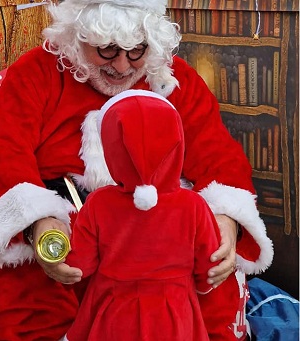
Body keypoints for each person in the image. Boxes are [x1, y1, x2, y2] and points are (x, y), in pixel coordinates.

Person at [0, 0, 275, 340]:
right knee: (20, 299)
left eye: (137, 51)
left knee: (208, 287)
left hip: (157, 224)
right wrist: (37, 224)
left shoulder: (175, 80)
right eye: (107, 50)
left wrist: (226, 220)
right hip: (64, 220)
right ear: (78, 38)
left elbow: (220, 156)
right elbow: (1, 152)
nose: (122, 67)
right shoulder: (36, 71)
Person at [63, 90, 238, 340]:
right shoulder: (194, 205)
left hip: (113, 316)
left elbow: (79, 266)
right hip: (175, 317)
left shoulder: (97, 203)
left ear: (111, 147)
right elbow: (208, 273)